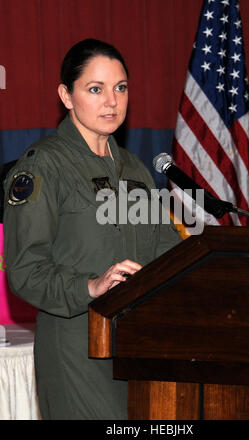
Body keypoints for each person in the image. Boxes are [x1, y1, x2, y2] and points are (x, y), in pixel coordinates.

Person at [3, 39, 181, 420]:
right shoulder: (41, 167)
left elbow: (168, 253)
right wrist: (91, 287)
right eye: (95, 89)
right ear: (66, 96)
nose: (112, 102)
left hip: (138, 346)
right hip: (76, 349)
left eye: (120, 88)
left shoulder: (135, 169)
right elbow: (24, 270)